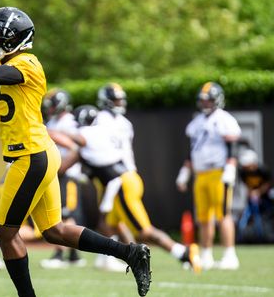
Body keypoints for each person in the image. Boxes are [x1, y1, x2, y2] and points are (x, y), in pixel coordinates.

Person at [0, 6, 151, 296]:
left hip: (32, 156)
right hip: (36, 154)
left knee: (5, 233)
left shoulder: (28, 63)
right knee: (54, 231)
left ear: (15, 38)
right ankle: (131, 253)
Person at [55, 104, 202, 274]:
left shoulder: (91, 134)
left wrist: (46, 132)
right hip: (118, 183)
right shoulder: (97, 136)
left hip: (121, 183)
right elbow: (65, 166)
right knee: (110, 224)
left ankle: (184, 252)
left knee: (144, 231)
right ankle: (133, 258)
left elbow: (75, 143)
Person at [176, 81, 241, 270]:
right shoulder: (197, 122)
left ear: (217, 100)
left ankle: (230, 254)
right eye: (202, 101)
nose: (205, 104)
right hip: (201, 174)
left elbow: (232, 147)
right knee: (203, 217)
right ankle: (206, 254)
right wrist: (185, 172)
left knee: (223, 214)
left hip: (219, 172)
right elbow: (193, 150)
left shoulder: (225, 119)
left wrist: (230, 168)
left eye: (208, 100)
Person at [41, 88, 87, 269]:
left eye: (51, 105)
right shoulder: (54, 121)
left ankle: (61, 254)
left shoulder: (69, 122)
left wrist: (61, 168)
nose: (49, 109)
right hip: (57, 173)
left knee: (65, 214)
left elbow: (78, 146)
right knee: (63, 214)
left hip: (67, 174)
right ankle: (73, 254)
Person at [237, 148, 273, 242]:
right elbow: (246, 184)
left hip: (266, 199)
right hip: (252, 199)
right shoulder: (243, 172)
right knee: (246, 216)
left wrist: (259, 192)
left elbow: (268, 184)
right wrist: (251, 193)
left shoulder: (263, 170)